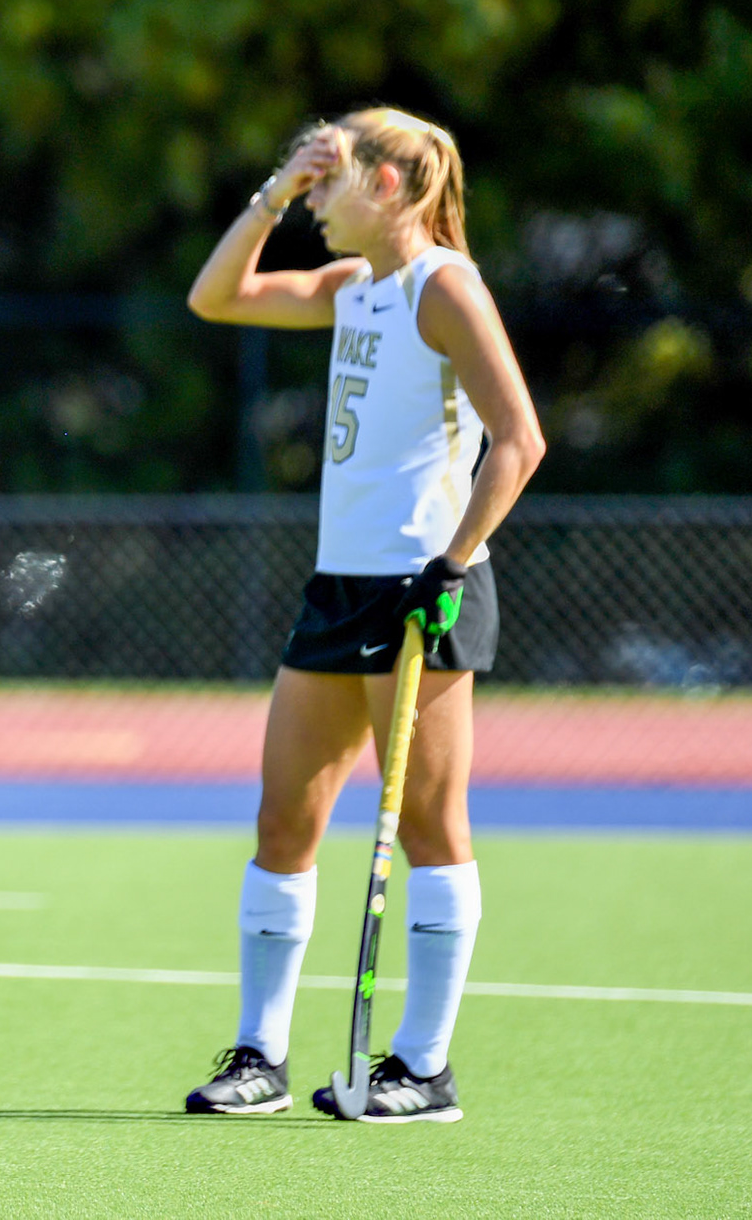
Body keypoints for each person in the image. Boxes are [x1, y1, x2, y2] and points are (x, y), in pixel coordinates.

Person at [182, 109, 545, 1122]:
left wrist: (454, 561)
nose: (316, 204)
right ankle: (261, 1054)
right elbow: (217, 296)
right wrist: (275, 190)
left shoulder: (446, 286)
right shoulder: (355, 288)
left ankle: (422, 1067)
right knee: (283, 817)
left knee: (431, 822)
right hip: (339, 585)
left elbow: (520, 441)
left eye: (332, 182)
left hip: (421, 584)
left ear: (389, 187)